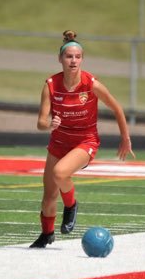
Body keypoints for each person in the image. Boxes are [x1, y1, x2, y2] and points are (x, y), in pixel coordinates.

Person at [30, 30, 135, 248]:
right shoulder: (50, 85)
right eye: (69, 56)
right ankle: (46, 234)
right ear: (60, 59)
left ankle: (71, 205)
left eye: (77, 57)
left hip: (84, 142)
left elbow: (117, 108)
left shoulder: (91, 84)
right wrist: (49, 124)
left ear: (82, 59)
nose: (73, 61)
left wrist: (125, 138)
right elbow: (40, 122)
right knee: (48, 196)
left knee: (60, 173)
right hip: (58, 142)